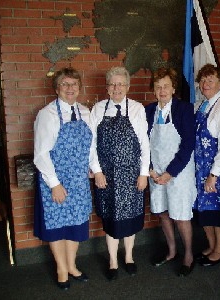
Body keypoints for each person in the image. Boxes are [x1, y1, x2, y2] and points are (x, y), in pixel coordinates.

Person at [34, 67, 94, 290]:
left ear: (79, 88)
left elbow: (90, 147)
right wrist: (55, 184)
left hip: (78, 181)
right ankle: (61, 268)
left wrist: (92, 167)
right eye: (65, 84)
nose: (70, 88)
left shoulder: (85, 112)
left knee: (76, 225)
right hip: (55, 182)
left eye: (74, 84)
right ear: (57, 88)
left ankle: (72, 265)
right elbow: (40, 154)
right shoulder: (47, 115)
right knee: (58, 227)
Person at [90, 66, 150, 281]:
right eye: (113, 84)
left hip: (131, 175)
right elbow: (92, 145)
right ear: (107, 87)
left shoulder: (136, 108)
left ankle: (130, 258)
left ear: (127, 86)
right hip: (106, 175)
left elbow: (144, 143)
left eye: (121, 84)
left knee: (130, 216)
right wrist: (97, 171)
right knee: (111, 217)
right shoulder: (97, 109)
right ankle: (113, 261)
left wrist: (143, 173)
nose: (116, 88)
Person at [145, 68, 196, 277]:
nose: (162, 90)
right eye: (158, 87)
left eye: (166, 86)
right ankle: (172, 251)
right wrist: (149, 169)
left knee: (181, 215)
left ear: (174, 88)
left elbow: (188, 144)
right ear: (153, 91)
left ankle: (189, 255)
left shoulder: (184, 110)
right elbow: (143, 143)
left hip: (179, 172)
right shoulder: (148, 111)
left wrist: (170, 173)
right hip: (156, 172)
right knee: (164, 212)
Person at [193, 64, 220, 267]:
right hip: (200, 169)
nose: (205, 84)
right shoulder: (203, 104)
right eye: (203, 80)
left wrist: (214, 174)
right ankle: (211, 245)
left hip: (215, 170)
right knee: (204, 210)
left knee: (217, 210)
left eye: (210, 80)